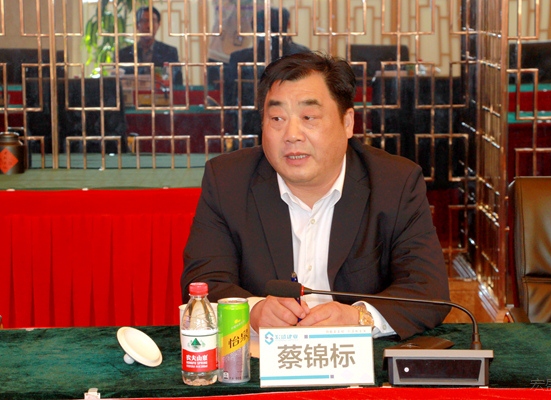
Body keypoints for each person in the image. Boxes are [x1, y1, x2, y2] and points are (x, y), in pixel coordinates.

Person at [181, 52, 450, 340]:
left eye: (309, 117)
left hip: (357, 361)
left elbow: (428, 291)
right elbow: (204, 284)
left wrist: (359, 317)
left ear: (348, 122)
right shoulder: (228, 181)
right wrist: (254, 311)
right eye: (277, 118)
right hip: (263, 358)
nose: (292, 134)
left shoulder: (395, 183)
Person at [223, 7, 310, 146]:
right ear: (288, 25)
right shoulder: (303, 56)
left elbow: (229, 99)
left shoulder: (240, 58)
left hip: (248, 127)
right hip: (293, 128)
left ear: (254, 27)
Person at [118, 6, 182, 86]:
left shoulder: (169, 52)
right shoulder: (123, 54)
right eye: (144, 21)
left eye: (153, 21)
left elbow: (177, 83)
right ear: (137, 25)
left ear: (158, 25)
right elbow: (118, 84)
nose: (149, 26)